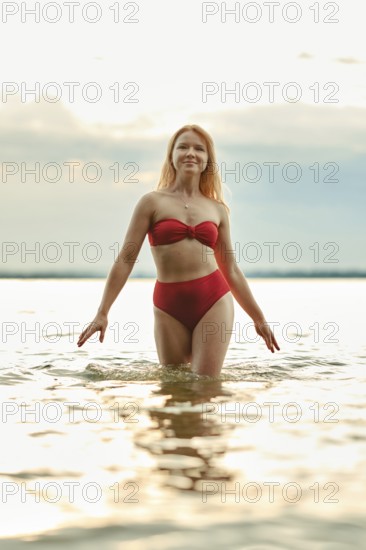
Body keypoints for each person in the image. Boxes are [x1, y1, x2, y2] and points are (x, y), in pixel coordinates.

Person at [77, 124, 280, 376]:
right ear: (171, 156)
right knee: (172, 388)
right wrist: (102, 312)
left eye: (199, 149)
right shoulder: (151, 202)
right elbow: (126, 259)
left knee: (205, 385)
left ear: (207, 160)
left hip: (213, 299)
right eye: (182, 147)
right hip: (168, 304)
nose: (190, 153)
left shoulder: (217, 209)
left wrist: (258, 318)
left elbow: (231, 269)